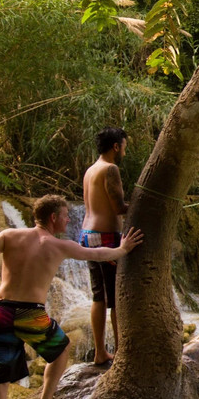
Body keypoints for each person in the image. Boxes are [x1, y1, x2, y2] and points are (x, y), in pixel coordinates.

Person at [0, 195, 143, 399]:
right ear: (53, 217)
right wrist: (123, 249)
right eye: (65, 216)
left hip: (1, 312)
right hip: (29, 313)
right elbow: (98, 254)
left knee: (0, 379)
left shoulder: (9, 235)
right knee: (61, 349)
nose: (68, 221)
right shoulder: (59, 246)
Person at [81, 127, 129, 365]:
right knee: (117, 297)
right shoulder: (111, 169)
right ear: (116, 147)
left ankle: (100, 351)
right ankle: (121, 351)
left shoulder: (91, 170)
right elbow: (119, 207)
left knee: (99, 297)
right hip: (106, 237)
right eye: (124, 146)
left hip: (87, 235)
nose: (124, 151)